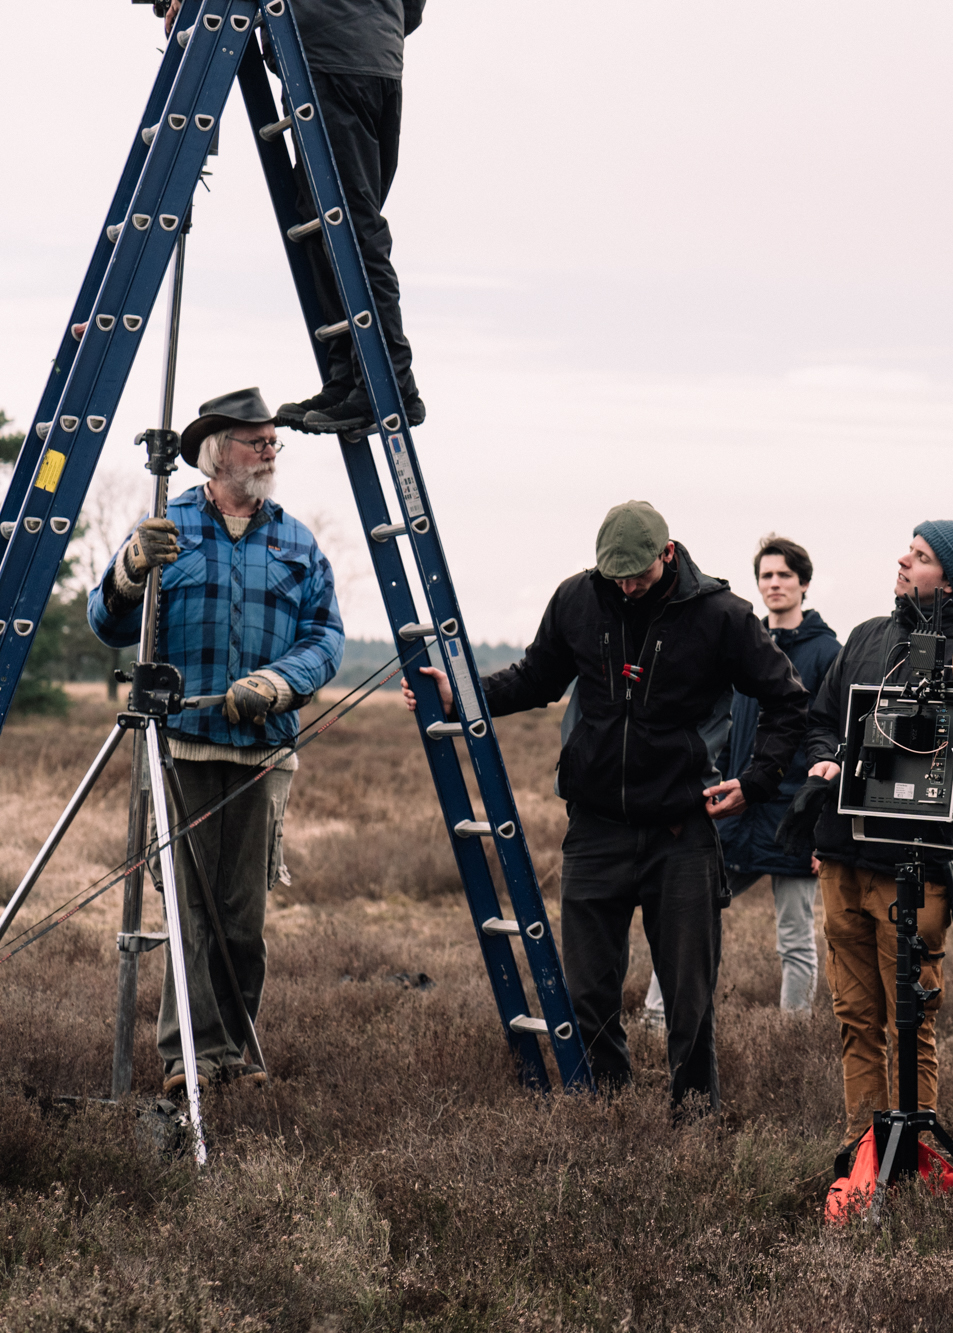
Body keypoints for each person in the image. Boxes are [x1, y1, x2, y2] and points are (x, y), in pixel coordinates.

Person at [406, 501, 809, 1104]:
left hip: (682, 833)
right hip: (595, 829)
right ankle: (609, 1113)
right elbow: (535, 678)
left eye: (637, 576)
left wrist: (755, 783)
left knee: (689, 999)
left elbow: (788, 701)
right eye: (614, 576)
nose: (625, 587)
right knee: (587, 994)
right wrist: (459, 697)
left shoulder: (723, 616)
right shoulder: (577, 598)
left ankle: (694, 1122)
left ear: (667, 554)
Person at [87, 387, 346, 1093]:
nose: (269, 451)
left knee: (241, 917)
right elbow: (107, 624)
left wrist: (278, 683)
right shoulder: (166, 528)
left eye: (272, 441)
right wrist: (130, 569)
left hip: (263, 753)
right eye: (255, 441)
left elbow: (326, 637)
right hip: (181, 749)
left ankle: (233, 1052)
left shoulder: (297, 541)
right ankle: (191, 1059)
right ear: (215, 452)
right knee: (190, 912)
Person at [159, 0, 431, 433]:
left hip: (329, 58)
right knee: (326, 223)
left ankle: (390, 386)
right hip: (373, 59)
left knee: (350, 228)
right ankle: (350, 379)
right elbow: (411, 10)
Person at [803, 520, 953, 1141]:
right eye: (908, 551)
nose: (904, 562)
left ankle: (913, 1155)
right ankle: (862, 1152)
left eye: (921, 556)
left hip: (917, 866)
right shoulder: (865, 636)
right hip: (842, 856)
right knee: (855, 1019)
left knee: (911, 1021)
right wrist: (826, 759)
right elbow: (820, 720)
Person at [714, 536, 841, 1012]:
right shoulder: (744, 646)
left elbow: (836, 742)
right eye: (766, 575)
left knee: (795, 936)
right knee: (691, 916)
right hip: (738, 809)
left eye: (785, 574)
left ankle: (793, 1036)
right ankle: (655, 1017)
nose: (774, 583)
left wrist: (823, 829)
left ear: (804, 583)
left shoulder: (829, 653)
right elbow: (727, 729)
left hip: (795, 818)